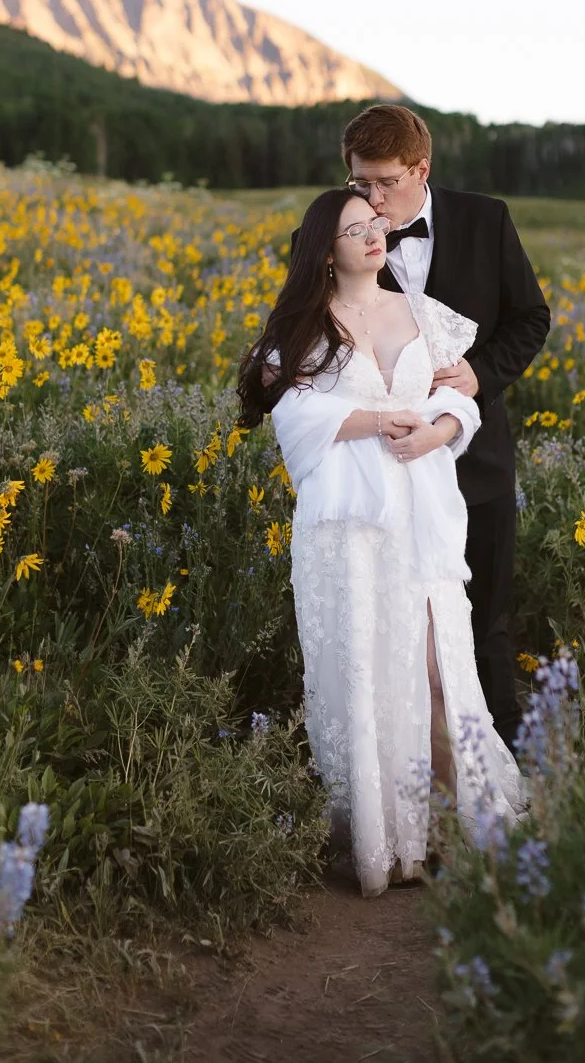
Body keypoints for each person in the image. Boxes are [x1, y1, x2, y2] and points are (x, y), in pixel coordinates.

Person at [238, 189, 526, 895]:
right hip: (350, 526)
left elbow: (460, 394)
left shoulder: (423, 313)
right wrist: (373, 419)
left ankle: (470, 829)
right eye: (354, 229)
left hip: (422, 512)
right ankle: (395, 840)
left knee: (437, 666)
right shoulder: (304, 324)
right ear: (324, 249)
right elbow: (294, 420)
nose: (374, 236)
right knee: (370, 667)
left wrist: (442, 428)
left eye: (376, 225)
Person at [339, 104, 551, 749]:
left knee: (486, 620)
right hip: (382, 470)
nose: (372, 202)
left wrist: (479, 377)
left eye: (385, 183)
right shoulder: (328, 235)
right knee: (391, 625)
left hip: (477, 464)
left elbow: (530, 319)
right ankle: (406, 766)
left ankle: (507, 760)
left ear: (421, 168)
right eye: (359, 184)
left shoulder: (487, 220)